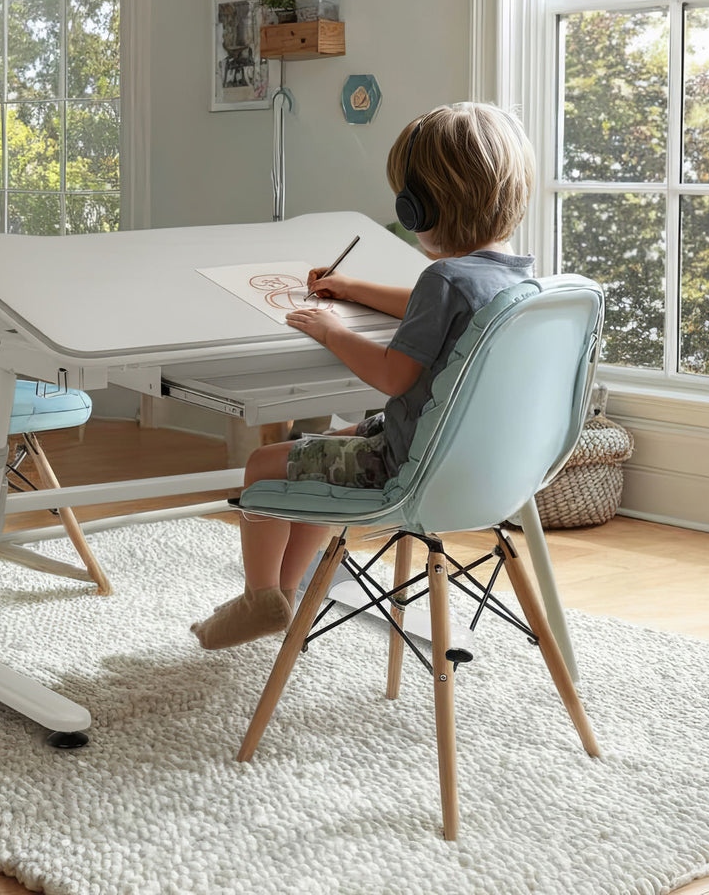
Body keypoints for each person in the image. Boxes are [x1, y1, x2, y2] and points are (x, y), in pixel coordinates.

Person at [191, 102, 537, 649]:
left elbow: (391, 377)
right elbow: (427, 309)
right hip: (474, 466)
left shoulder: (444, 278)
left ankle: (260, 596)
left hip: (404, 465)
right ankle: (285, 596)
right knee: (316, 460)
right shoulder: (515, 281)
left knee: (262, 465)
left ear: (419, 208)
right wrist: (351, 289)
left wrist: (332, 330)